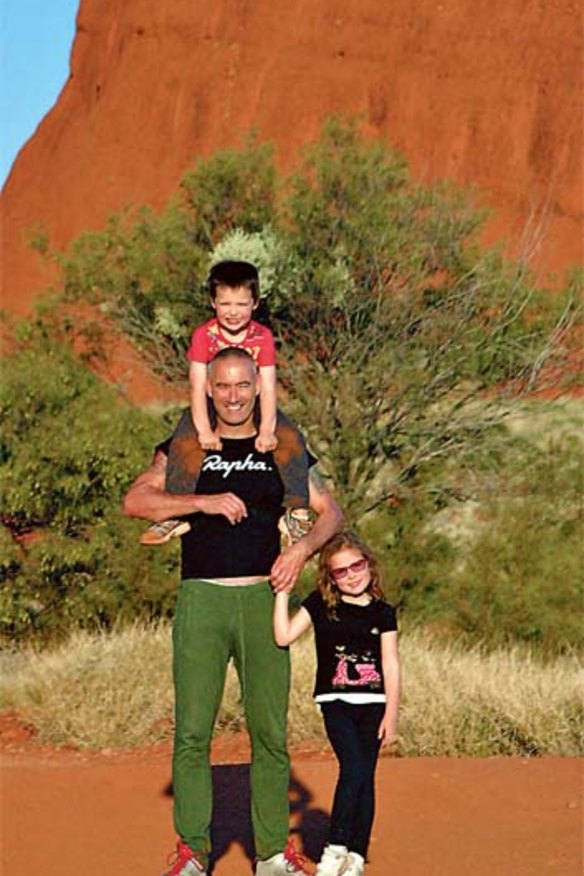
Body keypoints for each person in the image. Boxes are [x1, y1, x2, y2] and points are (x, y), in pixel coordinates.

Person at [123, 347, 344, 876]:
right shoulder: (191, 446)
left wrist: (300, 550)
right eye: (222, 386)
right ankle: (193, 852)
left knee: (269, 732)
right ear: (209, 390)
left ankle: (270, 853)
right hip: (202, 599)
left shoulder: (282, 443)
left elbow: (330, 512)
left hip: (263, 600)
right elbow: (137, 500)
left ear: (258, 387)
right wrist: (202, 502)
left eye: (243, 385)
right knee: (193, 731)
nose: (233, 395)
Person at [140, 259, 312, 547]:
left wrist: (268, 428)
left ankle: (296, 511)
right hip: (211, 401)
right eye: (226, 304)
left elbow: (267, 386)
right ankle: (175, 512)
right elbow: (197, 385)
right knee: (183, 442)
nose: (233, 312)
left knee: (292, 439)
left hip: (253, 403)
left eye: (241, 304)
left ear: (255, 303)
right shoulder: (203, 336)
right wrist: (204, 430)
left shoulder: (262, 337)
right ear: (213, 302)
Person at [273, 531, 401, 876]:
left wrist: (392, 713)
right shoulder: (320, 604)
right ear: (330, 577)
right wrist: (282, 593)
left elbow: (390, 663)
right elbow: (284, 635)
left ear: (369, 565)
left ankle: (356, 856)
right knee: (353, 768)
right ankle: (334, 849)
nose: (351, 575)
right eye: (340, 571)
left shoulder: (384, 613)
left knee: (366, 776)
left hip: (375, 703)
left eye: (356, 566)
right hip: (336, 702)